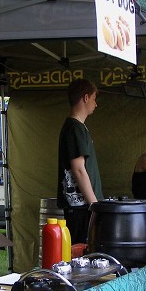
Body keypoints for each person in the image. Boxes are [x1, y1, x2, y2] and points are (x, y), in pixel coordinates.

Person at [57, 79, 103, 243]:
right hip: (80, 207)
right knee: (81, 251)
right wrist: (95, 206)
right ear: (85, 98)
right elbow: (78, 169)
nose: (95, 104)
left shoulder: (77, 127)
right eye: (94, 99)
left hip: (82, 206)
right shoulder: (74, 128)